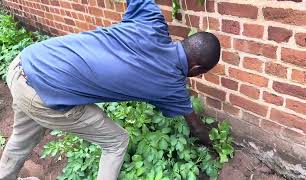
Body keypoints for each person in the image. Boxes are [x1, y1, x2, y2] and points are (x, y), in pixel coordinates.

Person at [0, 0, 221, 179]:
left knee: (22, 138)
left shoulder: (152, 20)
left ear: (185, 41)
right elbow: (196, 127)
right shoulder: (172, 86)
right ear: (197, 68)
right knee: (117, 141)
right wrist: (214, 147)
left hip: (25, 62)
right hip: (43, 93)